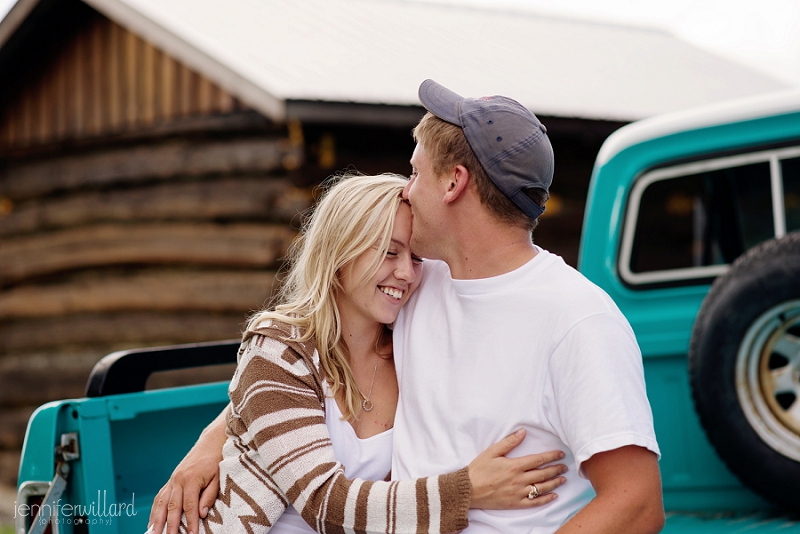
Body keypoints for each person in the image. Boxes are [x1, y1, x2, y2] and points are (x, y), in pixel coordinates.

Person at [152, 80, 665, 533]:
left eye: (416, 171)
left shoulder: (577, 319)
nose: (407, 187)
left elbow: (637, 504)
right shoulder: (423, 283)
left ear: (454, 182)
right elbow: (302, 367)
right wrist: (213, 439)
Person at [148, 173, 568, 534]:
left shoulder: (410, 346)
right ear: (339, 254)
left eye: (416, 257)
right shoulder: (279, 348)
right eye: (388, 251)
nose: (406, 273)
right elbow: (324, 504)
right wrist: (469, 490)